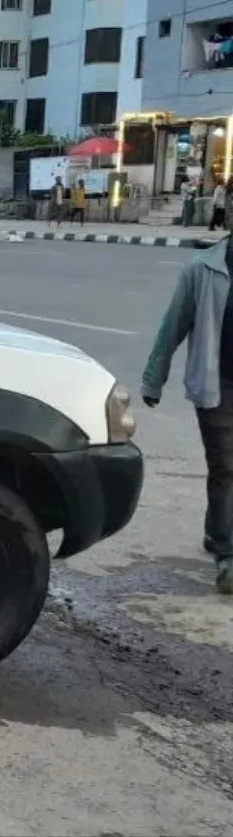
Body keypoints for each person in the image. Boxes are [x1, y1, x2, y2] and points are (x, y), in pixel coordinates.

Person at [141, 238, 233, 594]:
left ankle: (217, 530)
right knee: (225, 466)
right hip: (216, 384)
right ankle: (227, 555)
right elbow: (174, 324)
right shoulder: (202, 270)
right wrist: (153, 380)